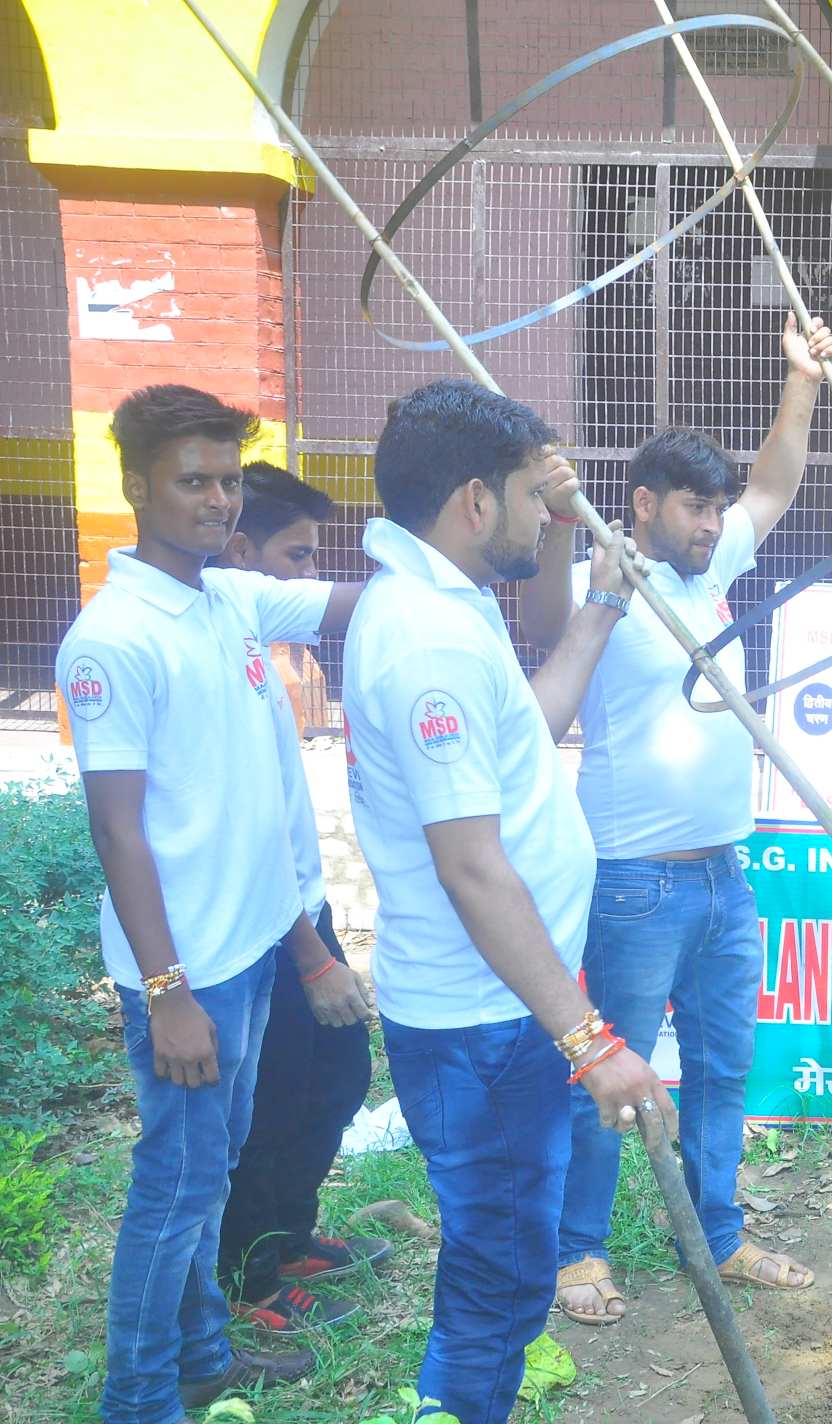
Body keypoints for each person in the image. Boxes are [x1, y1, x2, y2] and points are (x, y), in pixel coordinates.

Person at [340, 379, 675, 1424]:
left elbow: (527, 728)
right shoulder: (427, 640)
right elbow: (472, 868)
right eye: (535, 494)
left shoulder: (446, 600)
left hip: (505, 1005)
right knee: (500, 1271)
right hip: (480, 1024)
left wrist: (603, 604)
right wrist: (589, 1039)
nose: (547, 514)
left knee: (507, 1252)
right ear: (476, 501)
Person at [523, 316, 832, 1323]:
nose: (712, 525)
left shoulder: (710, 571)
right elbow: (542, 634)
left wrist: (801, 380)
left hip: (722, 877)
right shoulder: (606, 580)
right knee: (607, 1071)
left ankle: (718, 1232)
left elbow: (774, 485)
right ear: (644, 503)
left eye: (715, 508)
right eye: (694, 508)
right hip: (634, 879)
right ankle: (578, 1250)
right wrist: (560, 522)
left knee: (720, 1068)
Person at [57, 385, 363, 1422]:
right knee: (174, 1188)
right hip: (185, 971)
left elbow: (350, 605)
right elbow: (118, 831)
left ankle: (199, 1353)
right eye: (194, 481)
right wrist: (167, 991)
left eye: (228, 481)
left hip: (248, 950)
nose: (218, 501)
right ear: (137, 485)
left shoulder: (228, 599)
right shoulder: (112, 638)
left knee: (211, 1170)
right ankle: (138, 1397)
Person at [211, 462, 388, 1334]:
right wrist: (311, 953)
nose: (311, 575)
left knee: (340, 1072)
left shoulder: (248, 629)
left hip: (300, 904)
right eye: (297, 556)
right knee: (274, 1103)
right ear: (243, 555)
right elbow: (241, 826)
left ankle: (287, 1239)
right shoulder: (219, 630)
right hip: (265, 923)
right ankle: (249, 1282)